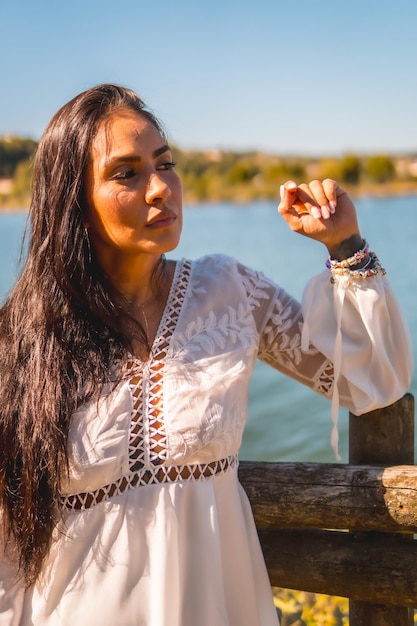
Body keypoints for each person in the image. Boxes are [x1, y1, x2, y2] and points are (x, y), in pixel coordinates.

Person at [0, 83, 412, 626]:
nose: (159, 189)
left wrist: (346, 245)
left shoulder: (231, 290)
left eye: (164, 164)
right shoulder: (25, 337)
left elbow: (369, 383)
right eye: (126, 173)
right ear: (72, 199)